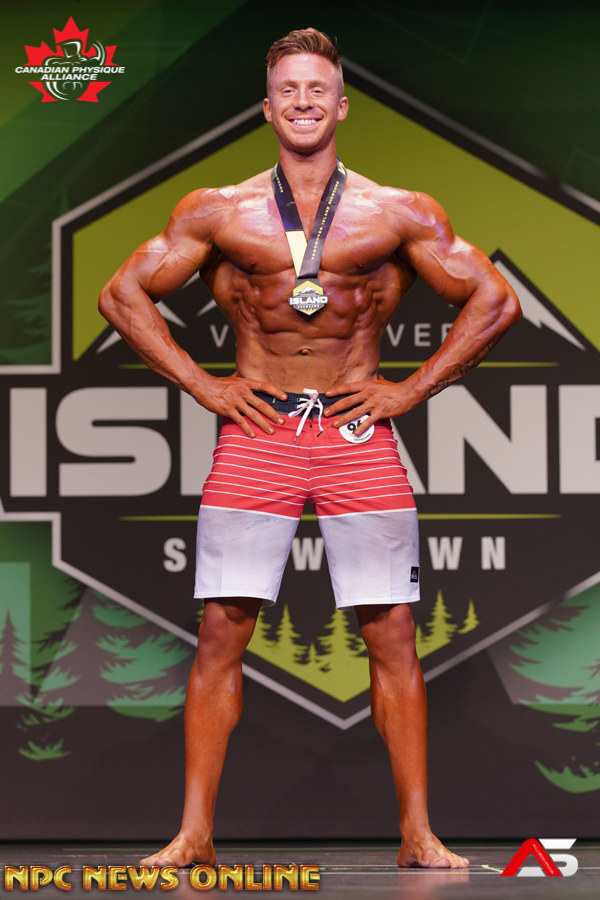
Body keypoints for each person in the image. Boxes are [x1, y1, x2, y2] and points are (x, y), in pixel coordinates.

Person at [99, 28, 521, 869]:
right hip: (258, 430)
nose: (302, 102)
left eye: (316, 89)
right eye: (288, 89)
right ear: (267, 108)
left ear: (342, 105)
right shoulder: (216, 210)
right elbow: (122, 294)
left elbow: (495, 300)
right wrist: (204, 385)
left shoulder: (399, 211)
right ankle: (194, 834)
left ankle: (417, 833)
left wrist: (410, 389)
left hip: (355, 431)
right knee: (222, 629)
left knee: (391, 632)